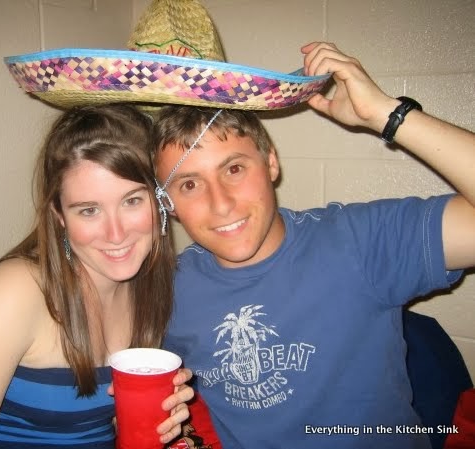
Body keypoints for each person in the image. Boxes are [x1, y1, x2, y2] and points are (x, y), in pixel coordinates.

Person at [151, 42, 475, 449]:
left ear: (271, 162)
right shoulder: (166, 289)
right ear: (168, 203)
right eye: (189, 184)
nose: (221, 203)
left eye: (234, 168)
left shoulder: (359, 242)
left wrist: (386, 115)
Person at [0, 104, 194, 449]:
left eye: (132, 201)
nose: (116, 234)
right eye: (89, 210)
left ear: (159, 200)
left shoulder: (149, 288)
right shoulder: (14, 293)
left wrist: (162, 417)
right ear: (59, 215)